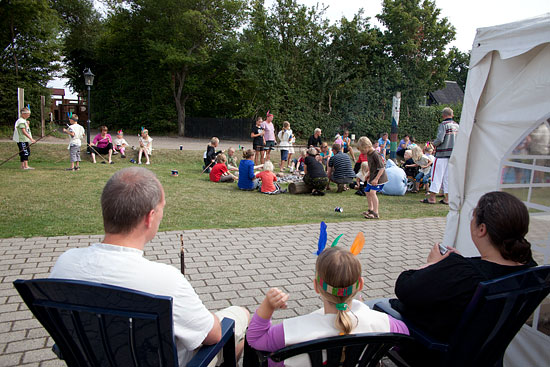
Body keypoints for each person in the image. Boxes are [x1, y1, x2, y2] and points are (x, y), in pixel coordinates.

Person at [49, 167, 250, 366]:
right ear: (149, 217)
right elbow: (213, 335)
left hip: (95, 358)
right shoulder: (165, 281)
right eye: (162, 209)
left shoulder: (65, 264)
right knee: (241, 316)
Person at [388, 191, 536, 366]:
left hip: (435, 353)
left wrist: (432, 264)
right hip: (486, 356)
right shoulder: (530, 271)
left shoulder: (463, 273)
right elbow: (483, 271)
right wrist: (455, 264)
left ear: (482, 229)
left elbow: (405, 287)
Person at [245, 247, 409, 367]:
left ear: (316, 287)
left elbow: (255, 340)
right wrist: (365, 312)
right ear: (360, 284)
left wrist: (268, 306)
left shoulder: (294, 330)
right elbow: (403, 337)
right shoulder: (383, 324)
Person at [423, 107, 459, 205]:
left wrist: (433, 144)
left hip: (442, 154)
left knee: (436, 175)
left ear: (443, 115)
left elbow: (440, 139)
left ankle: (432, 197)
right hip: (453, 154)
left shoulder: (443, 125)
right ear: (452, 115)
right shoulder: (457, 125)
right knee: (448, 177)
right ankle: (447, 198)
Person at [357, 137, 388, 219]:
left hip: (379, 178)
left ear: (366, 147)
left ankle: (375, 213)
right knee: (367, 191)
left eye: (362, 150)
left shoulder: (375, 154)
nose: (361, 152)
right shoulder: (368, 154)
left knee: (372, 193)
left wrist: (376, 179)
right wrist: (369, 174)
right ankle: (370, 209)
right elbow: (371, 166)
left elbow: (382, 168)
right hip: (373, 176)